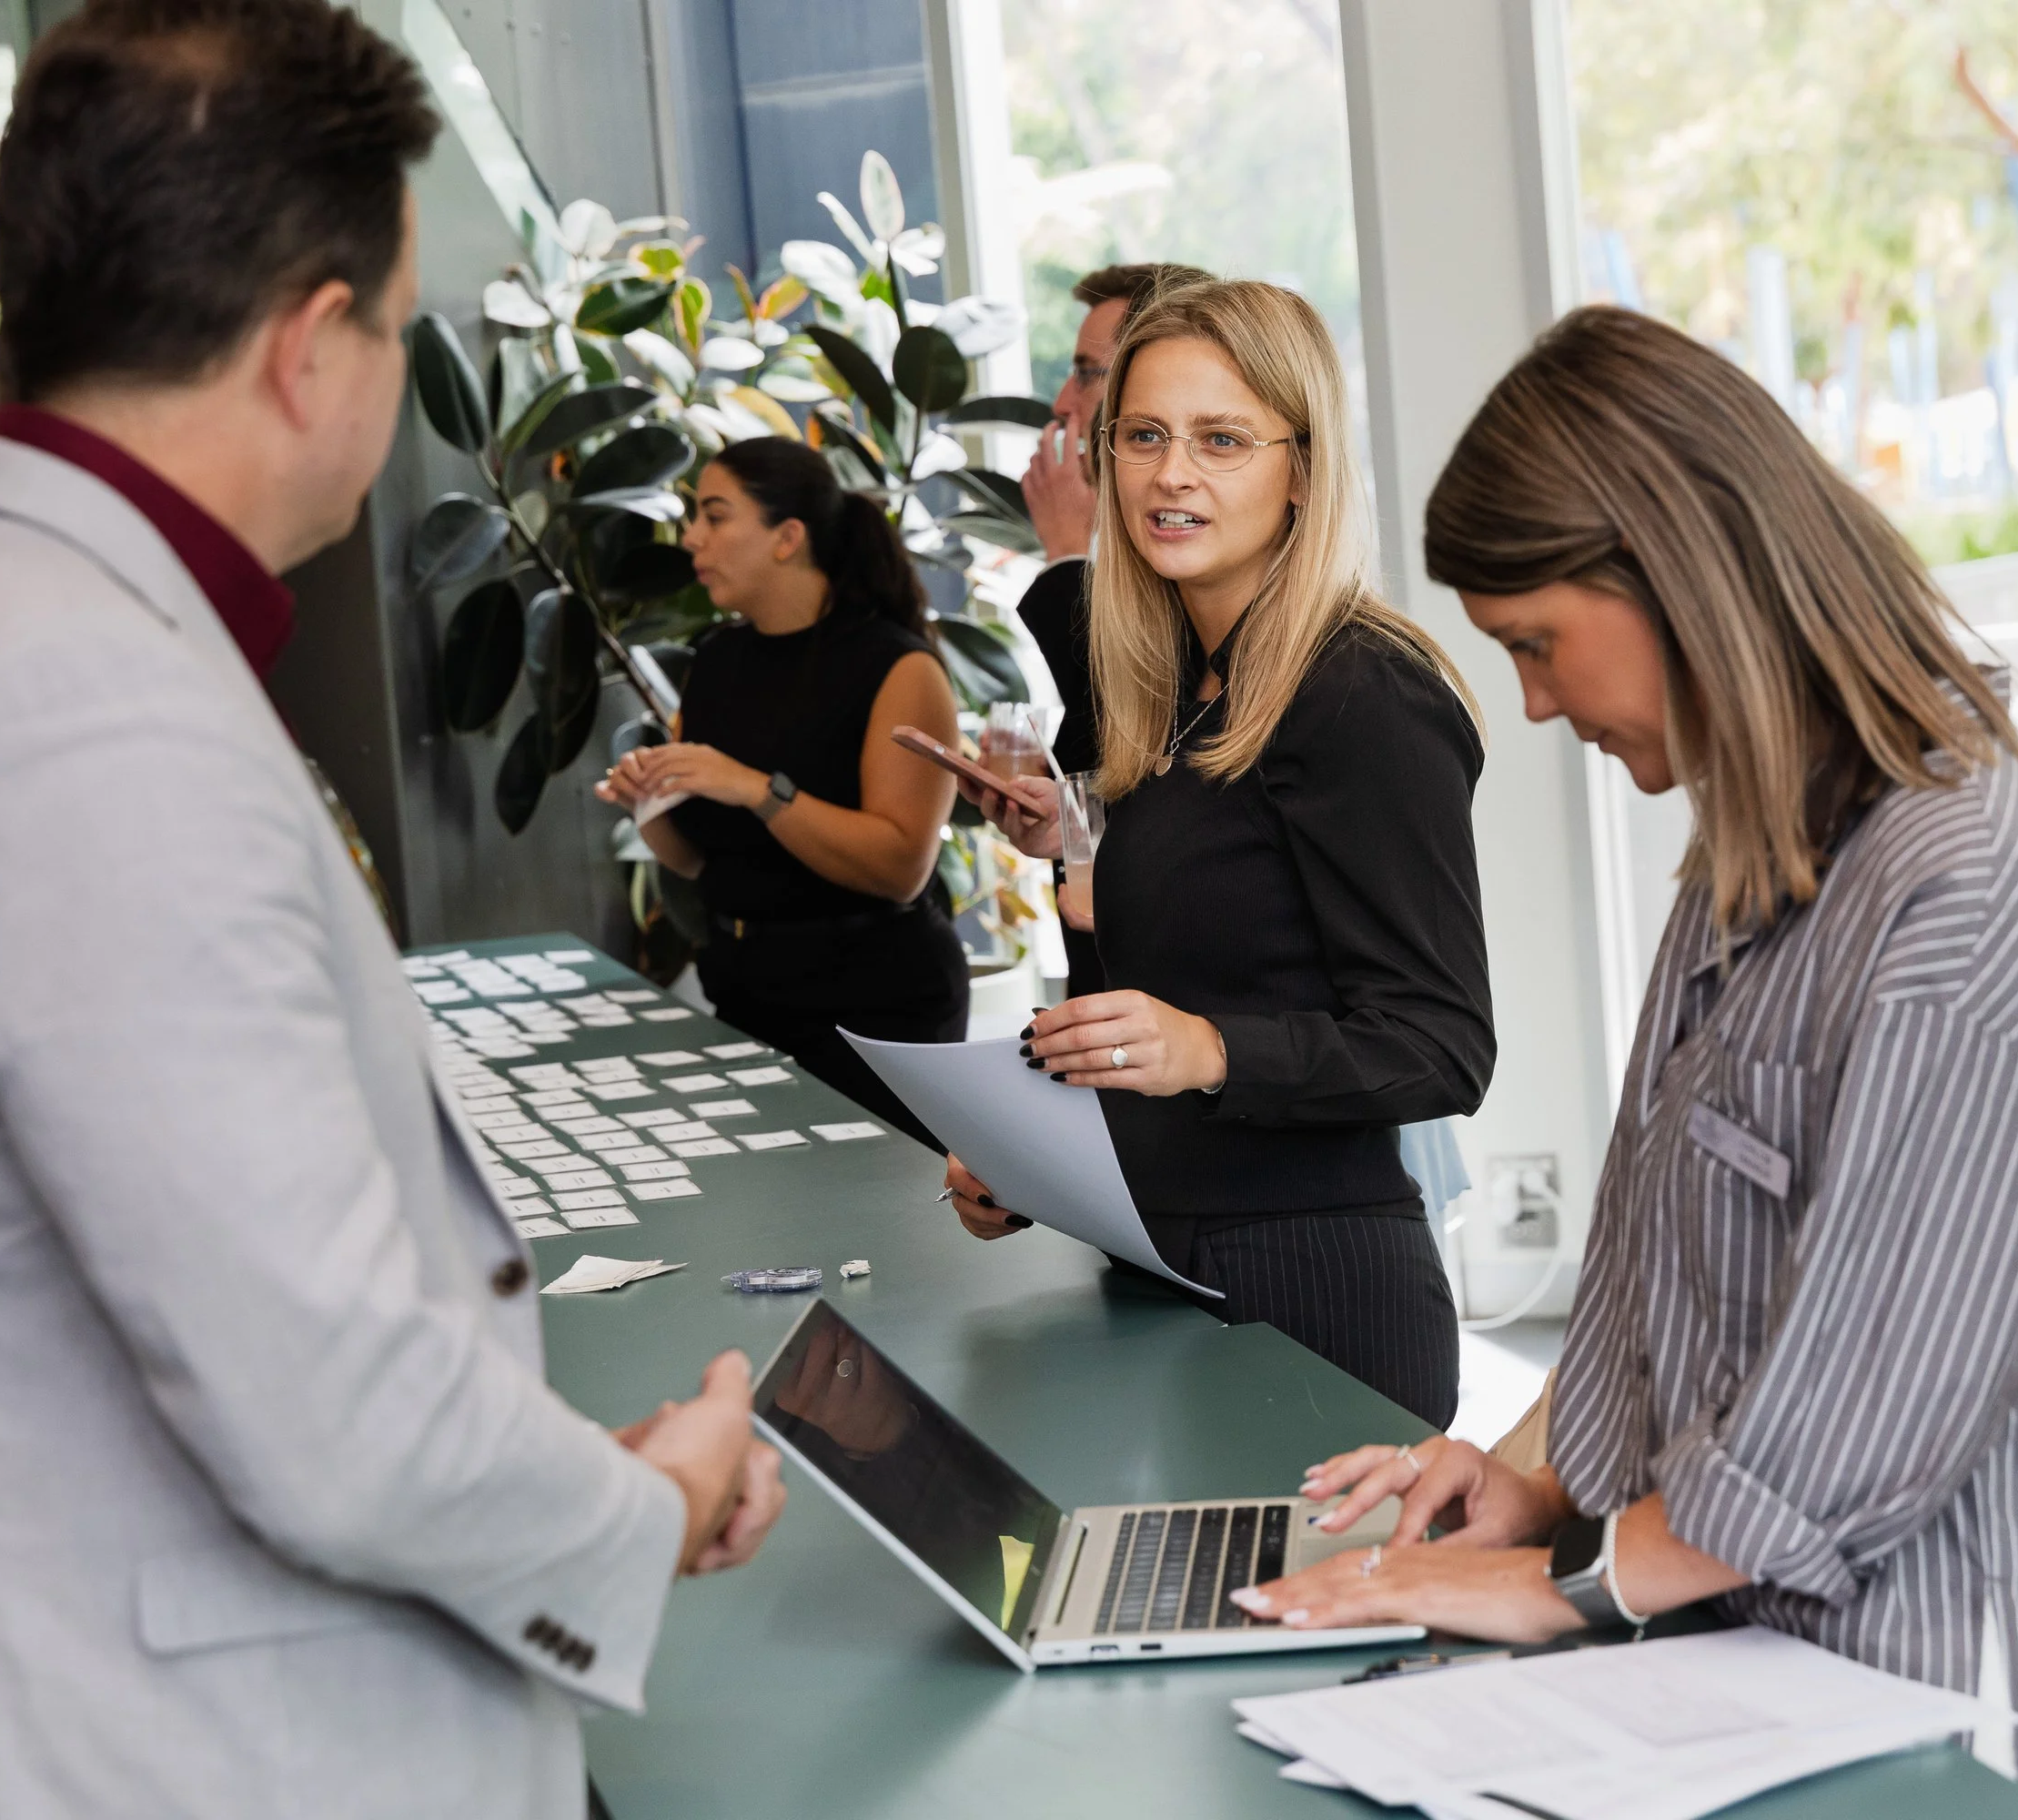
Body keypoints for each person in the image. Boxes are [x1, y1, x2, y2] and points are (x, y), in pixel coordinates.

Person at [0, 5, 782, 1814]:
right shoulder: (85, 701)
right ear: (315, 348)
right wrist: (646, 1501)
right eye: (401, 329)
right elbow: (326, 1406)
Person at [1236, 307, 2018, 1820]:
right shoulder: (1754, 855)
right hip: (1766, 1674)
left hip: (1976, 1710)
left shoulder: (1966, 906)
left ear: (1676, 574)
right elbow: (1654, 1267)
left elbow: (1852, 1427)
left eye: (1538, 646)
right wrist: (1529, 1482)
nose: (1536, 704)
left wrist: (1575, 1593)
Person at [949, 280, 1496, 1428]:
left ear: (1302, 467)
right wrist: (1033, 1151)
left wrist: (1207, 1048)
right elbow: (1149, 1006)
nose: (1170, 474)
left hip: (1316, 1294)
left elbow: (1440, 1046)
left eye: (1222, 440)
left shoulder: (1361, 691)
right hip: (1168, 1267)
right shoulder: (1173, 692)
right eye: (1142, 435)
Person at [598, 438, 965, 1148]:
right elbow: (705, 862)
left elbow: (900, 868)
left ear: (787, 537)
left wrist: (758, 790)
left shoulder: (897, 665)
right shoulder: (716, 661)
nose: (691, 538)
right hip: (746, 993)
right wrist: (649, 803)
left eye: (714, 515)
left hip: (877, 1013)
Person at [1016, 261, 1209, 996]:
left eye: (1088, 375)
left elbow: (1142, 722)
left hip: (1190, 1045)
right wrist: (1059, 814)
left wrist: (1067, 556)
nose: (1065, 402)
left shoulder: (1208, 600)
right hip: (1113, 1017)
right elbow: (1122, 780)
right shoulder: (1140, 583)